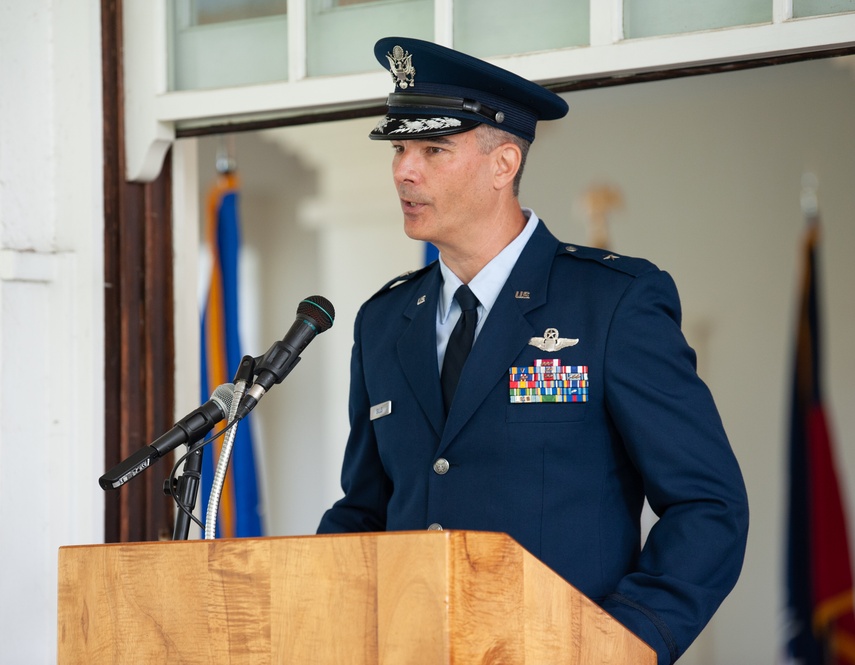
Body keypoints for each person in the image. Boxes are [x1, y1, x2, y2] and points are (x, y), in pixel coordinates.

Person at [316, 36, 749, 665]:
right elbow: (366, 510)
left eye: (433, 149)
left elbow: (707, 505)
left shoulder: (611, 304)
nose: (404, 170)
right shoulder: (384, 321)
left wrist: (626, 640)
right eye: (400, 148)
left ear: (504, 165)